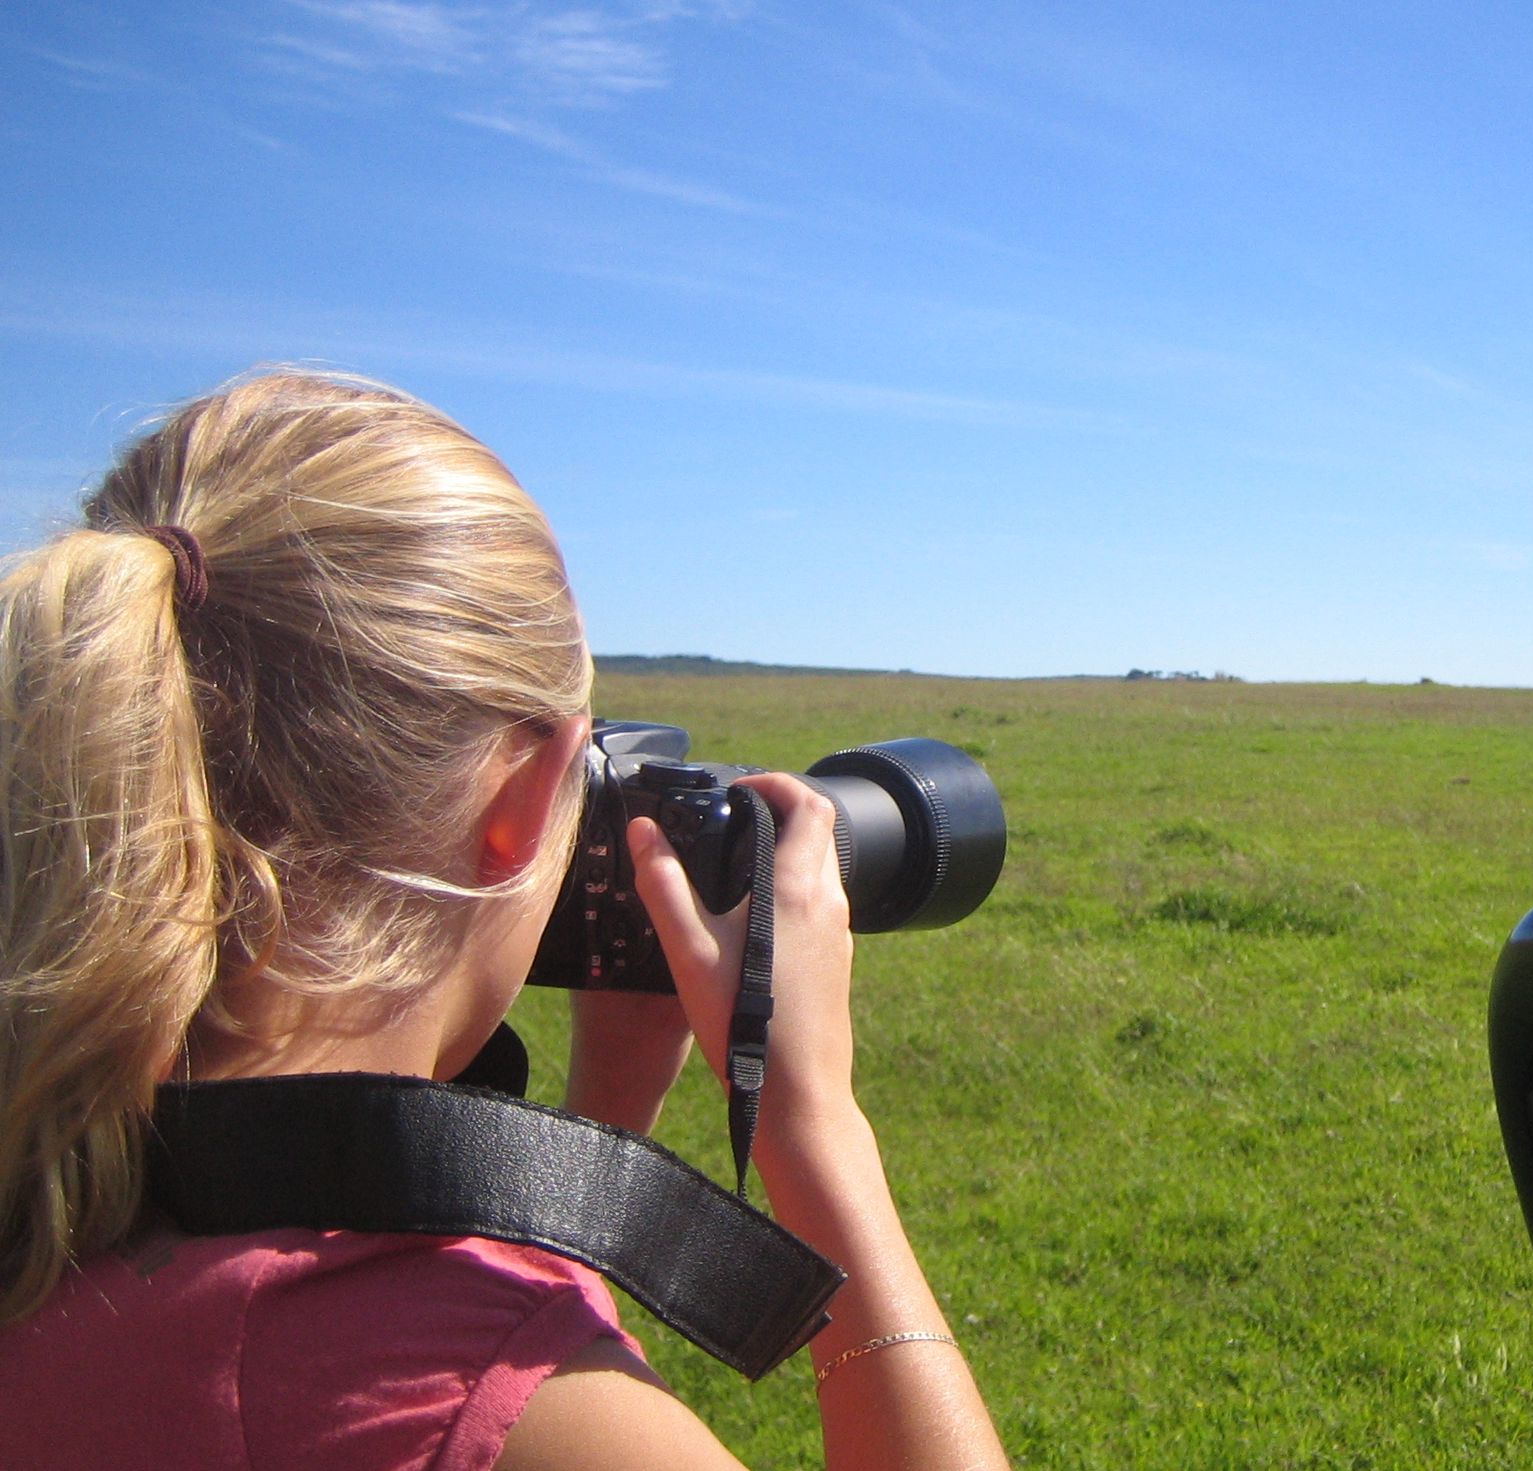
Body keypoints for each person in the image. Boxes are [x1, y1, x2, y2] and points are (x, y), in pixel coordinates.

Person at [0, 370, 1010, 1471]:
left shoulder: (61, 1193)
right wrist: (816, 1132)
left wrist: (601, 1128)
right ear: (521, 799)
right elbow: (494, 1396)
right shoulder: (461, 1404)